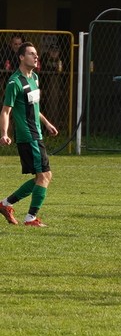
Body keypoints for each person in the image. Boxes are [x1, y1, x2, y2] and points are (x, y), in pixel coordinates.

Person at [0, 42, 59, 227]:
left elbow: (34, 106)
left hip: (37, 133)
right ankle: (30, 218)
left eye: (36, 54)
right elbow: (5, 111)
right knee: (44, 176)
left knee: (42, 177)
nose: (36, 57)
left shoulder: (34, 78)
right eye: (32, 54)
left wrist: (47, 123)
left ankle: (6, 204)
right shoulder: (14, 82)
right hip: (27, 135)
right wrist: (4, 133)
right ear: (21, 57)